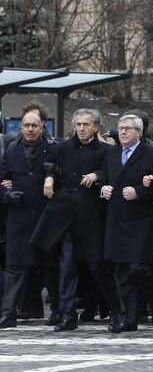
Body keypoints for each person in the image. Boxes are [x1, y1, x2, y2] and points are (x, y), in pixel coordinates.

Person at [31, 109, 116, 332]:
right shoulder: (64, 147)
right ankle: (68, 316)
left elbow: (114, 171)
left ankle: (117, 311)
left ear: (96, 127)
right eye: (78, 124)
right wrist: (49, 178)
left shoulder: (107, 150)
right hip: (66, 216)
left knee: (97, 267)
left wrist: (98, 175)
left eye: (86, 124)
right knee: (66, 266)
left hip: (92, 217)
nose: (81, 128)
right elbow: (52, 167)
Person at [101, 114, 153, 333]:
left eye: (128, 129)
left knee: (137, 267)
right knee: (121, 271)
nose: (123, 132)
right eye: (120, 128)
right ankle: (128, 318)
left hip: (140, 220)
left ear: (138, 132)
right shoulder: (111, 153)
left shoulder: (152, 154)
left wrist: (140, 191)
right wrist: (103, 187)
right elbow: (104, 176)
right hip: (116, 218)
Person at [0, 104, 60, 328]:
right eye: (26, 125)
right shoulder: (11, 151)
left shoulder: (54, 149)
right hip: (19, 217)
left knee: (49, 267)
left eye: (35, 125)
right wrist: (8, 194)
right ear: (20, 127)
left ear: (43, 126)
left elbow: (62, 173)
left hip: (46, 217)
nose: (30, 129)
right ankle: (8, 314)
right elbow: (2, 181)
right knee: (14, 268)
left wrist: (51, 175)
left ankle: (57, 310)